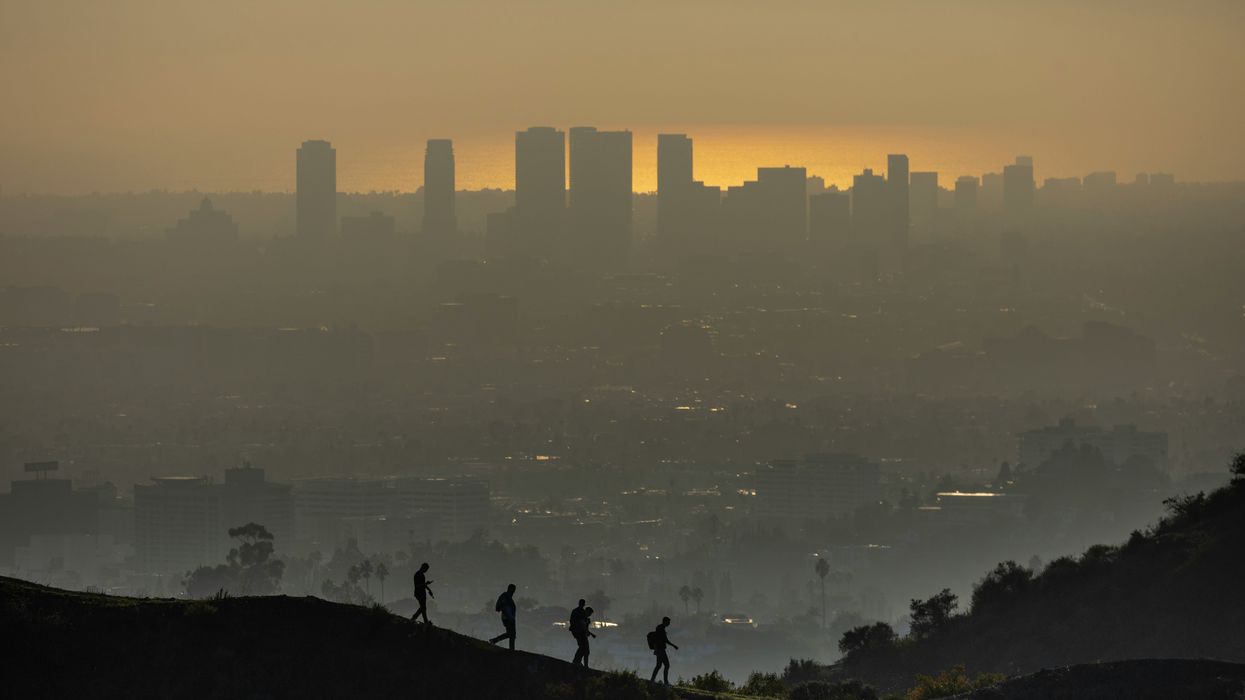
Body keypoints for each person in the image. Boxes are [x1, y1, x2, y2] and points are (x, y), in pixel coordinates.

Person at [648, 616, 678, 685]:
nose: (669, 624)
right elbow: (664, 640)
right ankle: (665, 682)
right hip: (660, 650)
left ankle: (652, 680)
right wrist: (673, 646)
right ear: (665, 622)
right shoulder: (660, 629)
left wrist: (673, 646)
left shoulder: (661, 628)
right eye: (668, 622)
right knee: (666, 665)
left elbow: (664, 640)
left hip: (659, 650)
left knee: (658, 665)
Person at [488, 583, 518, 650]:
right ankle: (511, 649)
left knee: (510, 634)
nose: (514, 592)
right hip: (508, 618)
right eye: (513, 590)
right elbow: (501, 607)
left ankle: (495, 640)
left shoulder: (507, 596)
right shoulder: (505, 596)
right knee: (511, 634)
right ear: (510, 589)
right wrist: (509, 616)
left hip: (509, 618)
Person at [570, 602, 597, 668]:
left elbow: (584, 628)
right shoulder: (581, 616)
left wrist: (590, 633)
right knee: (584, 649)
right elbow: (582, 626)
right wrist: (590, 633)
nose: (589, 615)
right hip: (579, 634)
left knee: (583, 649)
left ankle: (578, 662)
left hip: (579, 633)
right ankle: (579, 663)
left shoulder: (583, 616)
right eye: (589, 613)